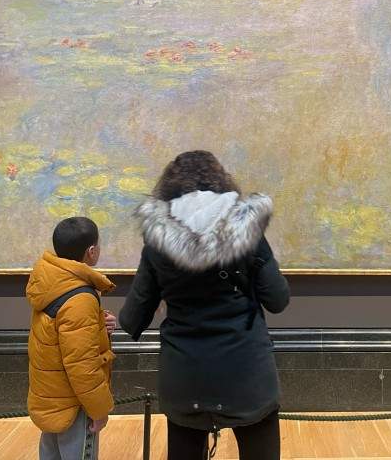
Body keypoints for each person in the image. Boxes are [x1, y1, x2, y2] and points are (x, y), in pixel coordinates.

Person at [120, 150, 290, 459]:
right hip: (246, 374)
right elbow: (277, 300)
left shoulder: (157, 242)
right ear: (220, 181)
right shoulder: (249, 233)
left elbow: (132, 319)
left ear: (170, 185)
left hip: (185, 377)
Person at [26, 217, 118, 460]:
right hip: (75, 404)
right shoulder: (80, 299)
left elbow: (59, 335)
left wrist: (99, 324)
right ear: (91, 251)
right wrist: (99, 410)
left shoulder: (51, 282)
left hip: (52, 396)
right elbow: (82, 365)